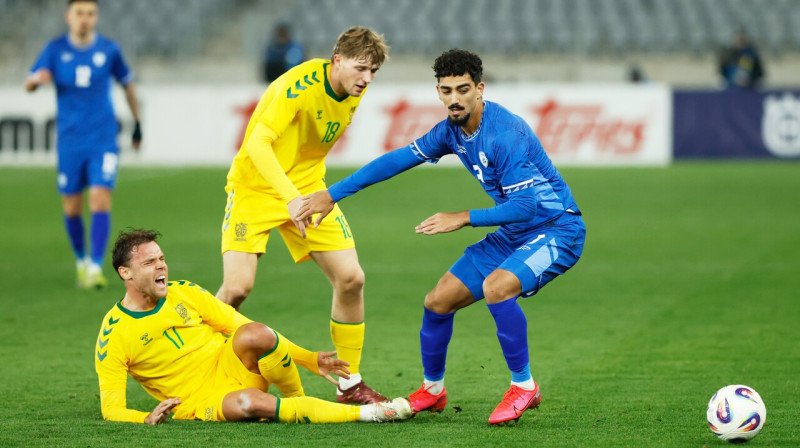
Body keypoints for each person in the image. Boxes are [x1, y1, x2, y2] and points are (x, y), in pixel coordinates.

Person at [297, 49, 586, 425]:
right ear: (438, 92)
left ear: (479, 89)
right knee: (437, 302)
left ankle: (524, 386)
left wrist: (462, 218)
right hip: (515, 232)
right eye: (446, 90)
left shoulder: (505, 134)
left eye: (463, 89)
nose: (454, 98)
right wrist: (331, 194)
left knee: (498, 287)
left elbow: (526, 207)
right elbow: (397, 159)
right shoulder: (451, 130)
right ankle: (432, 391)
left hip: (557, 230)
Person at [216, 26, 390, 405]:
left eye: (373, 72)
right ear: (337, 59)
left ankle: (350, 384)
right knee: (236, 289)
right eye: (361, 68)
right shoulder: (296, 86)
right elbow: (257, 143)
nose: (367, 79)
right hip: (255, 189)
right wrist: (290, 198)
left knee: (351, 278)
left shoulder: (354, 88)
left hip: (308, 189)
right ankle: (201, 366)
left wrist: (303, 195)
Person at [94, 228, 411, 424]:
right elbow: (111, 408)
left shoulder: (184, 291)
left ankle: (295, 400)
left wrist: (309, 360)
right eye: (150, 263)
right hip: (200, 400)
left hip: (231, 364)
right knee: (249, 404)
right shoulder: (114, 333)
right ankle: (370, 414)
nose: (161, 265)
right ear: (126, 273)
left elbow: (240, 324)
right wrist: (145, 418)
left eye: (161, 258)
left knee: (255, 332)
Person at [25, 0, 142, 290]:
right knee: (72, 206)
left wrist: (138, 122)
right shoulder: (54, 50)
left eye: (90, 13)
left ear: (96, 16)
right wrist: (36, 81)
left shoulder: (109, 50)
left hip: (103, 139)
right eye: (79, 13)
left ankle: (94, 265)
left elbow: (127, 84)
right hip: (70, 142)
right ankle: (80, 261)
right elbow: (29, 82)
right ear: (69, 16)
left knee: (100, 198)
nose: (84, 19)